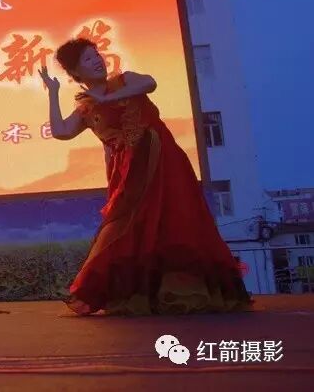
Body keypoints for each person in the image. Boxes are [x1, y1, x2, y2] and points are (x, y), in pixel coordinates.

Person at [38, 38, 252, 316]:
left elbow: (150, 83)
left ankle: (184, 290)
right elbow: (61, 131)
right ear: (76, 73)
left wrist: (109, 98)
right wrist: (53, 93)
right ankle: (136, 292)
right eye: (88, 59)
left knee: (177, 219)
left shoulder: (125, 81)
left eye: (96, 55)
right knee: (127, 226)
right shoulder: (86, 108)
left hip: (163, 159)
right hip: (128, 172)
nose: (97, 60)